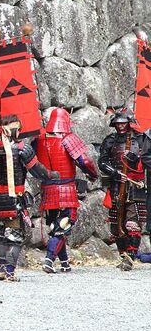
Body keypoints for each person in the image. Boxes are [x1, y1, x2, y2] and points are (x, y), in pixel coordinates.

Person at [0, 114, 57, 281]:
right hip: (13, 199)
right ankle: (9, 272)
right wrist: (52, 174)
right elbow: (37, 171)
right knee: (15, 237)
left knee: (0, 235)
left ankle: (2, 269)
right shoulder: (23, 149)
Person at [34, 108, 98, 274]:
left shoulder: (39, 139)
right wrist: (92, 175)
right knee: (64, 225)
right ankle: (49, 260)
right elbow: (84, 160)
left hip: (47, 189)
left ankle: (64, 262)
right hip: (65, 190)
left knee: (55, 226)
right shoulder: (68, 138)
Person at [98, 109, 146, 271]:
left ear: (129, 123)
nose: (120, 127)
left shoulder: (141, 139)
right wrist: (116, 173)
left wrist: (134, 158)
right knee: (116, 223)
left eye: (123, 123)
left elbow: (148, 159)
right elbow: (102, 162)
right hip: (116, 185)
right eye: (118, 124)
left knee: (132, 223)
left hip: (135, 185)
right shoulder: (110, 140)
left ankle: (131, 258)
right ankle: (123, 254)